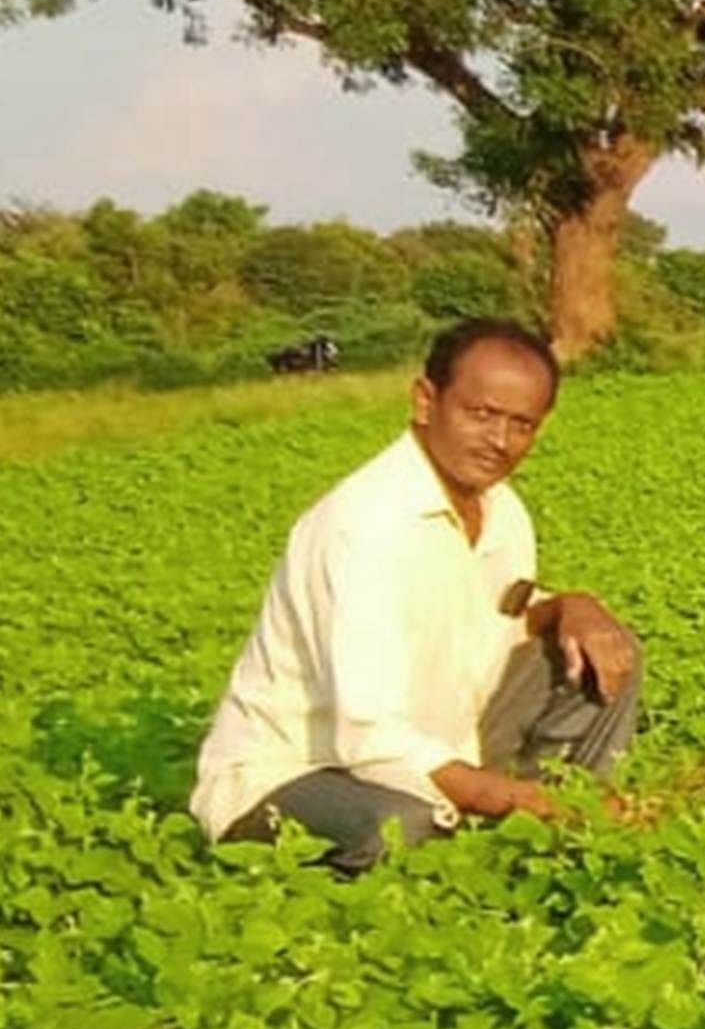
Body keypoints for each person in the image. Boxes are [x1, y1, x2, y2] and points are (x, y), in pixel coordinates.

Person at [191, 317, 647, 872]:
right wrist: (511, 797)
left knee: (605, 652)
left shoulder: (502, 513)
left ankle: (559, 840)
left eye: (521, 424)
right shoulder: (361, 526)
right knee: (400, 825)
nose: (499, 441)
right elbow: (367, 734)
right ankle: (524, 821)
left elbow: (500, 615)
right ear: (426, 400)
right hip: (297, 770)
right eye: (480, 414)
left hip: (439, 743)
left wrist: (574, 606)